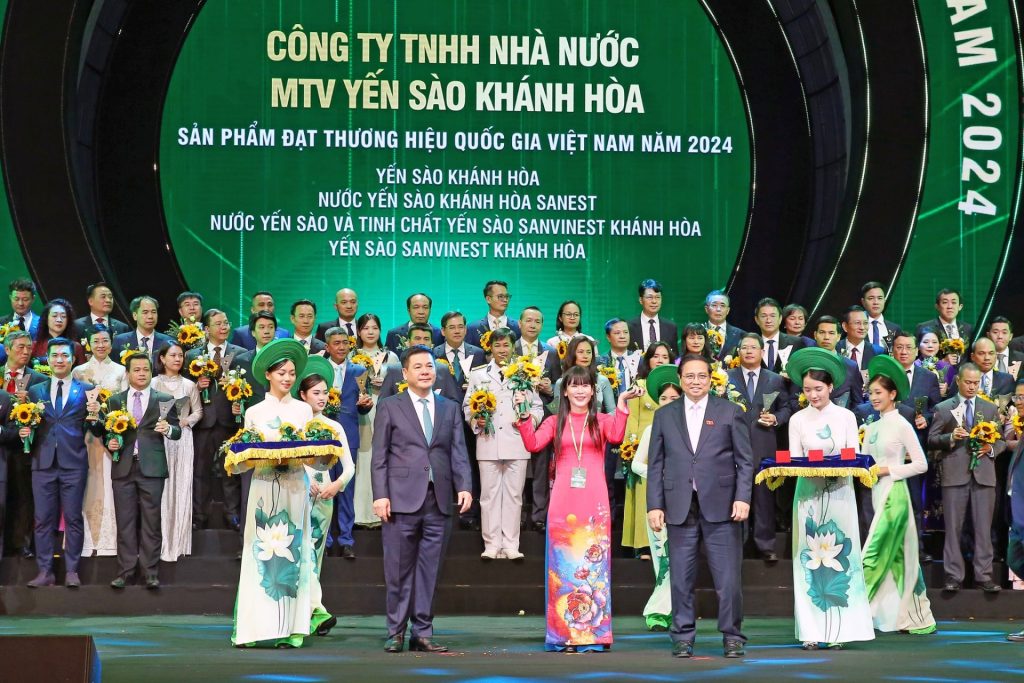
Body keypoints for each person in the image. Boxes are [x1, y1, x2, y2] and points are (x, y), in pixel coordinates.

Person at [516, 366, 638, 652]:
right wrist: (523, 417)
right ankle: (564, 634)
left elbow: (617, 437)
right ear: (565, 391)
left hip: (595, 503)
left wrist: (622, 403)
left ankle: (594, 635)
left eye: (585, 385)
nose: (580, 390)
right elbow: (533, 443)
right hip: (563, 503)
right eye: (574, 385)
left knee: (594, 570)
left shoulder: (602, 420)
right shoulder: (554, 422)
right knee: (564, 568)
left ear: (593, 391)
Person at [646, 354, 753, 658]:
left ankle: (732, 636)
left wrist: (743, 497)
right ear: (680, 379)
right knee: (680, 578)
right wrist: (654, 504)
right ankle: (682, 636)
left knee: (728, 579)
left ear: (710, 379)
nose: (696, 381)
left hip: (723, 506)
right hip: (679, 505)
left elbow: (745, 461)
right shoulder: (665, 415)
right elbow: (655, 465)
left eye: (701, 376)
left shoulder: (730, 411)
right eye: (690, 376)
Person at [372, 345, 473, 654]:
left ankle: (423, 633)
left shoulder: (449, 407)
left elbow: (458, 451)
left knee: (430, 571)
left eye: (429, 366)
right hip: (400, 499)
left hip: (438, 499)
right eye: (418, 367)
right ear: (405, 373)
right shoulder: (390, 406)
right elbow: (379, 456)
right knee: (398, 570)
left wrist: (464, 486)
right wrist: (380, 495)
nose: (425, 371)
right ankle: (395, 632)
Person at [786, 346, 874, 649]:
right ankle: (811, 630)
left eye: (818, 389)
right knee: (809, 558)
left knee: (841, 556)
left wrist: (835, 467)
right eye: (807, 389)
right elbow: (794, 460)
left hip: (840, 494)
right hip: (808, 495)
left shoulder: (846, 416)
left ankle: (840, 630)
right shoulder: (797, 419)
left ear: (831, 387)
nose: (813, 395)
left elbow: (854, 455)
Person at [231, 339, 317, 648]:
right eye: (281, 373)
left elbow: (312, 453)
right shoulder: (254, 411)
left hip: (295, 485)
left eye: (292, 373)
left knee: (294, 551)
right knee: (260, 552)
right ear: (268, 375)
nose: (287, 378)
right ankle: (253, 629)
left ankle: (292, 628)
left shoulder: (304, 410)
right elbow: (244, 456)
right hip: (264, 486)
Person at [859, 356, 935, 634]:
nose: (873, 397)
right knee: (900, 555)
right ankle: (910, 617)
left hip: (895, 496)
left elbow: (921, 464)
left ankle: (853, 612)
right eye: (871, 392)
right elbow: (865, 463)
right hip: (876, 495)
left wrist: (887, 470)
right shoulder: (872, 427)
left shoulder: (902, 424)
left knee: (873, 554)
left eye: (879, 392)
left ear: (893, 394)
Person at [22, 337, 102, 588]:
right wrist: (25, 431)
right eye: (55, 355)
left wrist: (96, 415)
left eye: (64, 355)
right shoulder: (35, 390)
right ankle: (45, 571)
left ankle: (72, 571)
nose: (59, 360)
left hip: (74, 462)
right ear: (47, 359)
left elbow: (97, 429)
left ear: (73, 359)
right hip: (42, 463)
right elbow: (28, 423)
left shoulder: (86, 389)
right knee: (42, 519)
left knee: (73, 518)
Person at [104, 352, 181, 589]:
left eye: (145, 369)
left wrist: (168, 429)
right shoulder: (115, 401)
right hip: (123, 467)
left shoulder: (164, 399)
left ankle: (150, 572)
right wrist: (110, 443)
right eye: (136, 370)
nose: (141, 374)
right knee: (125, 521)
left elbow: (177, 431)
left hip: (152, 468)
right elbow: (108, 433)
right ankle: (126, 571)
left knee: (151, 521)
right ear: (127, 374)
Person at [927, 362, 1006, 593]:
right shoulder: (944, 408)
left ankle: (984, 576)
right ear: (958, 381)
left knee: (984, 529)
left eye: (976, 383)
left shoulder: (989, 408)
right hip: (954, 474)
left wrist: (990, 449)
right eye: (968, 382)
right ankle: (953, 577)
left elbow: (1001, 441)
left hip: (984, 475)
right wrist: (951, 437)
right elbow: (932, 439)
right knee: (953, 529)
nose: (972, 387)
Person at [464, 328, 543, 560]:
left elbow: (537, 407)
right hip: (488, 441)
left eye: (506, 345)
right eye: (497, 345)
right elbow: (467, 405)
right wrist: (475, 420)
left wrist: (529, 421)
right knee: (489, 496)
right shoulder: (479, 375)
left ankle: (511, 544)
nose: (502, 350)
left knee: (514, 496)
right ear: (490, 347)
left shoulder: (525, 373)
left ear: (513, 347)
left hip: (517, 442)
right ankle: (491, 545)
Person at [296, 355, 356, 637]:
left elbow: (350, 467)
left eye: (324, 393)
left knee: (315, 555)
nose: (322, 398)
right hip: (297, 493)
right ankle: (312, 611)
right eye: (315, 393)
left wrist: (337, 485)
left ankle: (310, 614)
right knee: (298, 552)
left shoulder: (334, 426)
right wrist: (302, 478)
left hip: (324, 497)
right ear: (302, 395)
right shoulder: (294, 425)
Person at [728, 333, 791, 562]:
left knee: (764, 498)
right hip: (733, 445)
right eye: (744, 347)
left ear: (762, 352)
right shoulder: (726, 378)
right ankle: (738, 546)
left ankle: (766, 546)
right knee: (736, 495)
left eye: (753, 347)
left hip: (764, 444)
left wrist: (775, 418)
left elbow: (786, 408)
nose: (749, 351)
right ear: (738, 351)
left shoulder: (774, 379)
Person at [629, 365, 682, 630]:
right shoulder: (652, 430)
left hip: (686, 499)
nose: (668, 402)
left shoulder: (692, 429)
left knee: (680, 557)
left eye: (674, 398)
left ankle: (666, 609)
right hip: (659, 500)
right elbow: (636, 464)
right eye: (663, 398)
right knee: (663, 557)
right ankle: (662, 610)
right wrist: (660, 474)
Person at [187, 309, 246, 530]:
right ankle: (199, 516)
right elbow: (185, 390)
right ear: (206, 329)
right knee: (200, 471)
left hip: (229, 421)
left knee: (230, 470)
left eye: (226, 323)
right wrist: (197, 385)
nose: (224, 327)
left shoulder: (240, 353)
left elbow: (245, 389)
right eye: (218, 324)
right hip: (202, 422)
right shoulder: (192, 355)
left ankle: (232, 514)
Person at [72, 324, 127, 557]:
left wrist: (114, 426)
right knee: (88, 482)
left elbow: (124, 405)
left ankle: (108, 540)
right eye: (96, 341)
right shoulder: (78, 372)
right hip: (86, 436)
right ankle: (86, 540)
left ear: (112, 343)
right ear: (88, 344)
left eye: (105, 340)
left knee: (108, 483)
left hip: (112, 434)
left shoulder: (121, 371)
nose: (101, 345)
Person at [621, 341, 674, 558]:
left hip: (671, 445)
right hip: (644, 448)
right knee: (645, 496)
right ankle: (644, 545)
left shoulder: (675, 385)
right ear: (648, 359)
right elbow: (632, 417)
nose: (660, 360)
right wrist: (630, 447)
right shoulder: (639, 385)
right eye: (656, 356)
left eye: (665, 357)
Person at [323, 327, 372, 558]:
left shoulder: (359, 370)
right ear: (327, 347)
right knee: (323, 487)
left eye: (345, 342)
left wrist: (366, 405)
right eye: (336, 343)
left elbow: (363, 405)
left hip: (349, 435)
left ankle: (346, 539)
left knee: (345, 488)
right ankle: (324, 539)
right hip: (322, 435)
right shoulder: (319, 370)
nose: (342, 347)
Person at [434, 311, 486, 530]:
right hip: (441, 419)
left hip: (470, 420)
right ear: (443, 331)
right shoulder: (434, 353)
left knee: (470, 464)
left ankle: (469, 513)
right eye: (452, 327)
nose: (457, 331)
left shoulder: (478, 353)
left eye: (460, 327)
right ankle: (443, 510)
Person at [152, 342, 202, 561]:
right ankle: (161, 543)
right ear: (162, 358)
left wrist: (185, 421)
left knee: (181, 485)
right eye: (172, 355)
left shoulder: (189, 385)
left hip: (183, 439)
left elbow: (198, 411)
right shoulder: (153, 383)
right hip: (158, 438)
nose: (177, 359)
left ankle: (179, 543)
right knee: (162, 489)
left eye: (180, 355)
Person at [2, 330, 48, 558]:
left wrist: (30, 404)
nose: (26, 351)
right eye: (20, 347)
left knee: (23, 495)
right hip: (1, 446)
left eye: (29, 347)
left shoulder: (39, 380)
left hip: (24, 447)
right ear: (7, 349)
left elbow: (46, 415)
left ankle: (22, 543)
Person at [351, 313, 398, 528]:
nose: (370, 332)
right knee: (363, 457)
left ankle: (382, 511)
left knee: (383, 457)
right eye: (365, 328)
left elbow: (400, 386)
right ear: (359, 331)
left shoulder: (391, 357)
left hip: (386, 408)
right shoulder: (352, 355)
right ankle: (360, 513)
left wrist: (384, 384)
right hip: (362, 411)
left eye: (374, 328)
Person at [515, 306, 560, 532]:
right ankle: (519, 515)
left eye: (537, 321)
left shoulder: (551, 352)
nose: (533, 325)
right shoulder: (510, 349)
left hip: (543, 419)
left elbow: (558, 388)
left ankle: (539, 515)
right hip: (515, 418)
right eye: (528, 320)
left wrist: (549, 389)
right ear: (520, 323)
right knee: (517, 467)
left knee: (541, 467)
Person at [549, 336, 615, 414]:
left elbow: (612, 412)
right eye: (580, 352)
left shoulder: (602, 380)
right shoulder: (561, 383)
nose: (585, 356)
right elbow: (557, 413)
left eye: (589, 352)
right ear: (572, 354)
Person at [810, 316, 864, 407]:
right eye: (822, 332)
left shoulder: (850, 366)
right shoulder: (805, 363)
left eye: (831, 333)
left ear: (838, 337)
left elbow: (857, 402)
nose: (826, 337)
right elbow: (794, 398)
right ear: (815, 335)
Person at [112, 296, 173, 360]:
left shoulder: (168, 341)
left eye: (154, 312)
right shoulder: (120, 341)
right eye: (145, 312)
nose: (150, 316)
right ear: (135, 315)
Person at [754, 297, 806, 374]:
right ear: (757, 320)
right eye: (764, 316)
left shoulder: (797, 343)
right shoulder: (751, 344)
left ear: (780, 318)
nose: (768, 320)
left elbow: (802, 371)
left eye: (773, 316)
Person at [627, 279, 679, 355]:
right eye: (650, 297)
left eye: (657, 297)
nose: (654, 301)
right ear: (641, 300)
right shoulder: (629, 327)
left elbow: (675, 357)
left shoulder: (671, 327)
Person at [836, 306, 886, 382]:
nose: (862, 327)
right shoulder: (835, 349)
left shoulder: (878, 352)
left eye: (865, 323)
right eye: (857, 323)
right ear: (845, 326)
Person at [31, 298, 86, 366]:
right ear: (46, 319)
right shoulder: (35, 346)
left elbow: (83, 371)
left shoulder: (76, 347)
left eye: (63, 316)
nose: (59, 320)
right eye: (54, 316)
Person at [465, 280, 521, 347]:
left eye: (507, 296)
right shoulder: (472, 328)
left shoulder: (518, 327)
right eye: (500, 296)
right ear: (488, 299)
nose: (505, 300)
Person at [599, 318, 641, 392]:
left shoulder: (639, 360)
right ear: (608, 337)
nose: (622, 336)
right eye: (617, 333)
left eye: (625, 332)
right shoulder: (600, 362)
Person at [704, 290, 745, 360]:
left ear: (728, 310)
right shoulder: (698, 332)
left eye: (722, 306)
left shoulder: (741, 335)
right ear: (706, 309)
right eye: (714, 305)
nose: (718, 309)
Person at [860, 281, 902, 350]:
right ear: (863, 302)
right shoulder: (854, 326)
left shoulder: (895, 329)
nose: (876, 302)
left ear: (884, 300)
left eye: (880, 298)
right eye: (871, 298)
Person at [916, 328, 955, 397]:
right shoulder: (913, 366)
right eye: (925, 342)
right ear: (918, 346)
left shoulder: (947, 367)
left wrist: (946, 391)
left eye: (934, 342)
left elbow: (953, 394)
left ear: (939, 345)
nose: (930, 345)